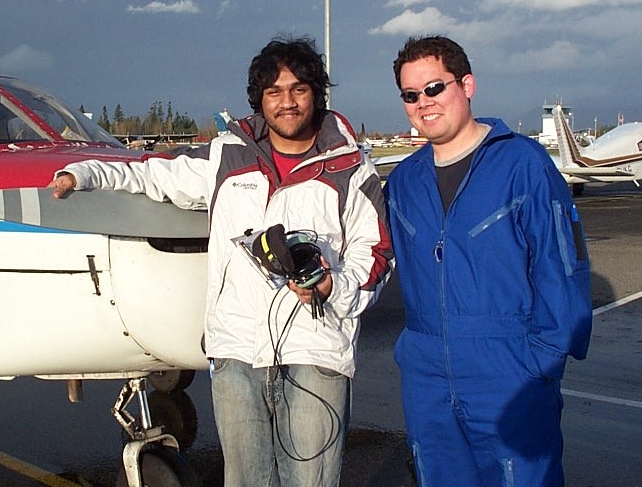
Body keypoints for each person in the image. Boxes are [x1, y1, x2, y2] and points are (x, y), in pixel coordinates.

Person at [50, 36, 393, 486]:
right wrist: (86, 173)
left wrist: (332, 287)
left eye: (298, 89)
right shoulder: (227, 157)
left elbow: (378, 259)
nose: (286, 102)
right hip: (236, 357)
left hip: (315, 355)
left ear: (317, 94)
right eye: (274, 91)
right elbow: (152, 172)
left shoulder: (351, 170)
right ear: (259, 100)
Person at [384, 35, 591, 486]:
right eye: (411, 95)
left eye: (435, 88)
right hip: (427, 376)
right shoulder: (402, 183)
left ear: (467, 85)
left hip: (509, 371)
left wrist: (542, 360)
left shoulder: (523, 164)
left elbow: (563, 268)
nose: (424, 103)